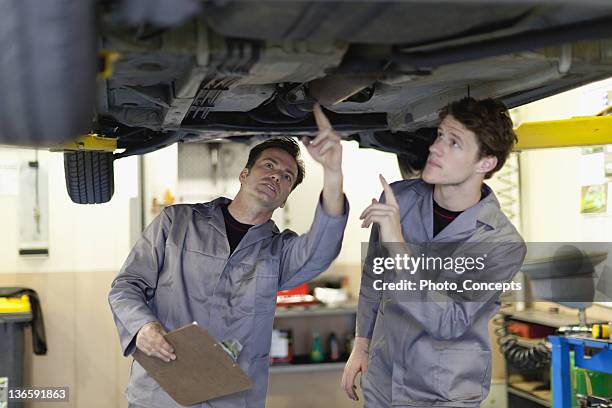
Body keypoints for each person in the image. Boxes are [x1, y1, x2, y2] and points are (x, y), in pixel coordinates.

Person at [109, 104, 349, 408]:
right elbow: (126, 285)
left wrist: (333, 173)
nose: (276, 177)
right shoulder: (177, 222)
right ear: (244, 174)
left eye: (287, 177)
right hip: (161, 396)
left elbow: (320, 250)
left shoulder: (279, 252)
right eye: (269, 166)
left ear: (286, 196)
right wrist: (142, 326)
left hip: (232, 400)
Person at [341, 97, 527, 407]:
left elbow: (449, 322)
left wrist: (399, 246)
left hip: (444, 392)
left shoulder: (503, 245)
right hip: (383, 380)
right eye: (440, 135)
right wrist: (361, 346)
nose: (434, 147)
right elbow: (374, 278)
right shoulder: (398, 198)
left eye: (454, 142)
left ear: (485, 163)